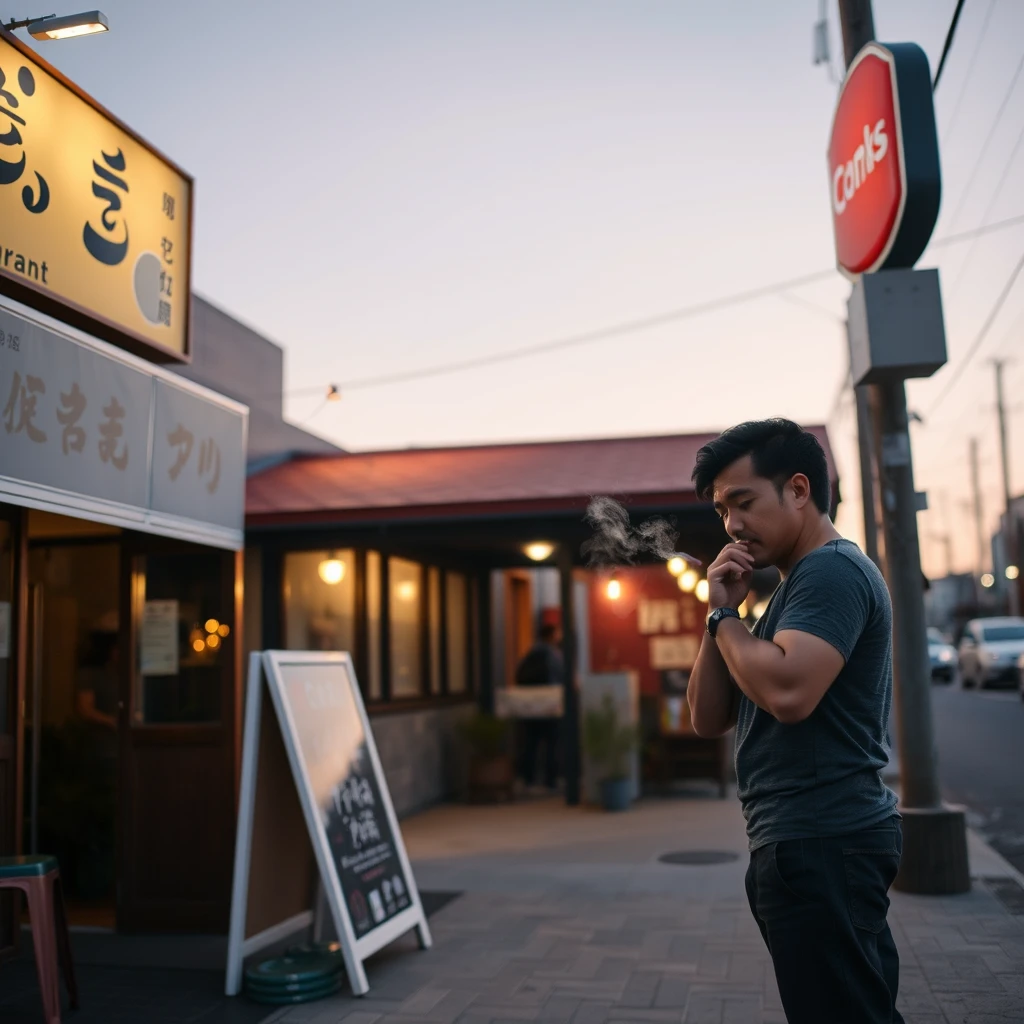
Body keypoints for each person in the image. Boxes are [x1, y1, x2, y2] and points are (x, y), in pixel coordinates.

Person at [686, 418, 902, 1024]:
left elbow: (787, 692)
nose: (730, 524)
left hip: (824, 841)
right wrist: (720, 616)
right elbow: (707, 717)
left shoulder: (829, 572)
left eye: (743, 501)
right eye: (722, 510)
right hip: (803, 843)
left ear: (799, 490)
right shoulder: (785, 594)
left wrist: (728, 622)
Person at [514, 622, 563, 790]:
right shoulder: (553, 655)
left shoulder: (530, 653)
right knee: (552, 743)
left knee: (531, 743)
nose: (560, 636)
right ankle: (550, 779)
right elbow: (560, 676)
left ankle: (528, 778)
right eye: (557, 633)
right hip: (549, 703)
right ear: (552, 635)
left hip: (530, 704)